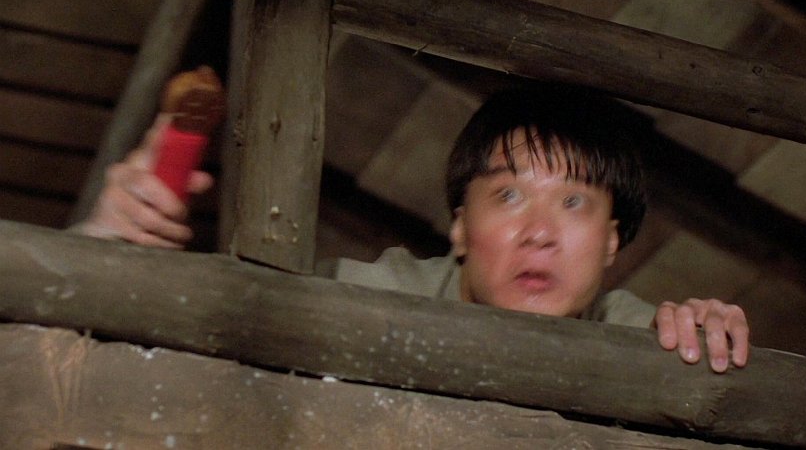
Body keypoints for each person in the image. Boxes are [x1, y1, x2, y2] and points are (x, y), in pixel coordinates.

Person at [73, 84, 749, 373]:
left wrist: (711, 347)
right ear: (460, 229)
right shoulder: (373, 297)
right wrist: (107, 247)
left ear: (612, 242)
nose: (540, 232)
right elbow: (214, 317)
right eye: (509, 194)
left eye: (573, 202)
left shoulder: (645, 339)